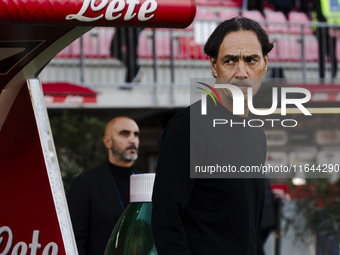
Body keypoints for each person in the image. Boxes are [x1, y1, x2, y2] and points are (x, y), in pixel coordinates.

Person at [151, 17, 274, 255]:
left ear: (265, 64)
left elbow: (249, 228)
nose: (242, 72)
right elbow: (166, 222)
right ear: (214, 65)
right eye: (230, 61)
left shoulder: (257, 135)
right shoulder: (187, 127)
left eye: (251, 60)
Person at [67, 116, 140, 255]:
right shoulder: (85, 184)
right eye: (124, 133)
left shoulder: (147, 183)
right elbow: (76, 240)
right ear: (107, 142)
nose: (133, 139)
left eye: (136, 134)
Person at [313, 0, 340, 79]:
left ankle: (333, 76)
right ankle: (322, 78)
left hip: (333, 31)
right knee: (322, 54)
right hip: (322, 30)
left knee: (331, 53)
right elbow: (319, 14)